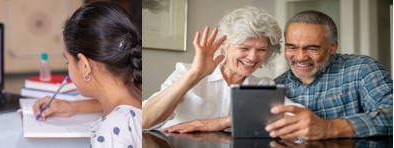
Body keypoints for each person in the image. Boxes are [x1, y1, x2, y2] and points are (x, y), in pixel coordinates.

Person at [141, 6, 300, 133]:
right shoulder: (187, 72)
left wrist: (224, 122)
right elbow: (144, 120)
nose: (252, 57)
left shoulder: (263, 86)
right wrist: (195, 75)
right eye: (244, 48)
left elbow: (298, 119)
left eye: (262, 50)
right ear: (225, 45)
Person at [267, 10, 392, 140]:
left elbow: (390, 113)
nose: (300, 57)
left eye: (312, 48)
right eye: (292, 47)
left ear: (332, 47)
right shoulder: (276, 86)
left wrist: (330, 127)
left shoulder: (362, 69)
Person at [31, 1, 141, 147]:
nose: (68, 68)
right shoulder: (139, 95)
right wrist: (71, 106)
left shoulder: (111, 135)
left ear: (84, 65)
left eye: (68, 61)